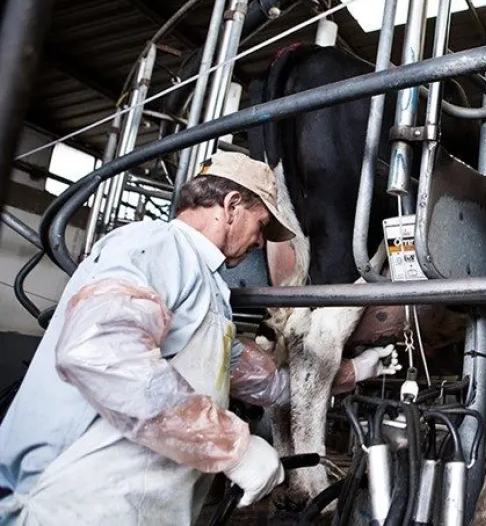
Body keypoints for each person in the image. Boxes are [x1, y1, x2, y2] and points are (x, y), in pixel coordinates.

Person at [0, 151, 400, 525]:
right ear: (230, 207)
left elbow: (268, 383)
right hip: (71, 501)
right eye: (261, 225)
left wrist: (354, 370)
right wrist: (232, 447)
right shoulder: (153, 246)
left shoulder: (207, 291)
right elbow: (100, 353)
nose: (261, 242)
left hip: (128, 506)